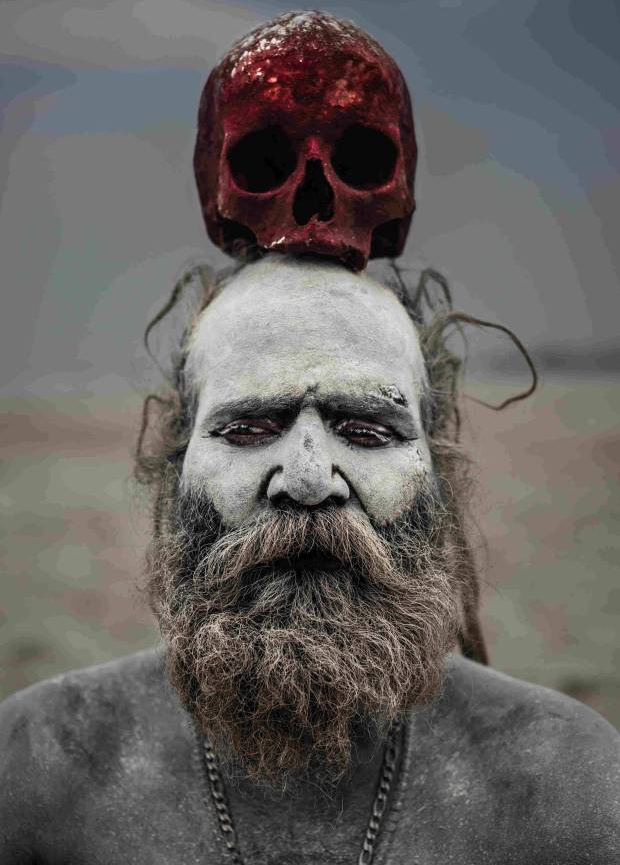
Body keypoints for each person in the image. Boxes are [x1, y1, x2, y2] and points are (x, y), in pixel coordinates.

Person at [1, 256, 618, 864]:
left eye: (369, 432)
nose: (307, 479)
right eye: (247, 429)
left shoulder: (567, 785)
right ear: (174, 472)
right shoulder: (38, 768)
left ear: (439, 481)